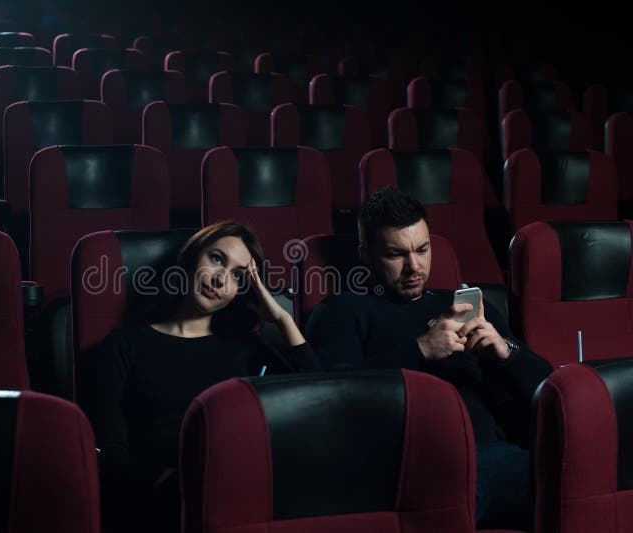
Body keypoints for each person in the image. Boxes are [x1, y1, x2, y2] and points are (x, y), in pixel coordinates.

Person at [305, 187, 552, 530]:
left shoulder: (463, 304)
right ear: (366, 255)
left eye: (422, 249)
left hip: (492, 454)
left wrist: (505, 352)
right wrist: (419, 350)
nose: (414, 267)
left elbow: (550, 389)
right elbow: (331, 399)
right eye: (396, 254)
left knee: (580, 481)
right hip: (407, 462)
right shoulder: (342, 311)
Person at [83, 220, 319, 533]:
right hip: (160, 491)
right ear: (193, 257)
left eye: (237, 275)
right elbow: (112, 451)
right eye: (217, 259)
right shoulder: (126, 343)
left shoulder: (247, 348)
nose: (221, 280)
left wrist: (282, 317)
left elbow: (321, 403)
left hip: (239, 481)